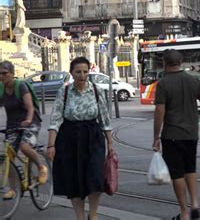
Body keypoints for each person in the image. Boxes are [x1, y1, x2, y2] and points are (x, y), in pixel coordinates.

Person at [47, 57, 115, 220]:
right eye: (78, 72)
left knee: (96, 177)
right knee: (73, 178)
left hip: (93, 136)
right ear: (71, 73)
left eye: (85, 71)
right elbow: (55, 119)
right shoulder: (64, 91)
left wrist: (110, 143)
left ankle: (93, 214)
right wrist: (51, 145)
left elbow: (105, 119)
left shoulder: (97, 90)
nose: (82, 75)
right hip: (69, 137)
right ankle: (80, 217)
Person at [152, 49, 200, 220]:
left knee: (177, 174)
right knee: (190, 168)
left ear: (165, 63)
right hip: (191, 135)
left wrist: (156, 136)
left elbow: (159, 112)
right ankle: (195, 203)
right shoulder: (194, 80)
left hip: (172, 135)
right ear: (181, 63)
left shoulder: (163, 84)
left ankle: (184, 212)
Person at [0, 61, 48, 200]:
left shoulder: (20, 85)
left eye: (5, 73)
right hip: (13, 125)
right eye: (0, 73)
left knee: (24, 146)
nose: (2, 76)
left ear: (12, 73)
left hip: (31, 121)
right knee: (8, 157)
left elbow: (30, 107)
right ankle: (13, 189)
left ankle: (41, 167)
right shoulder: (2, 88)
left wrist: (28, 120)